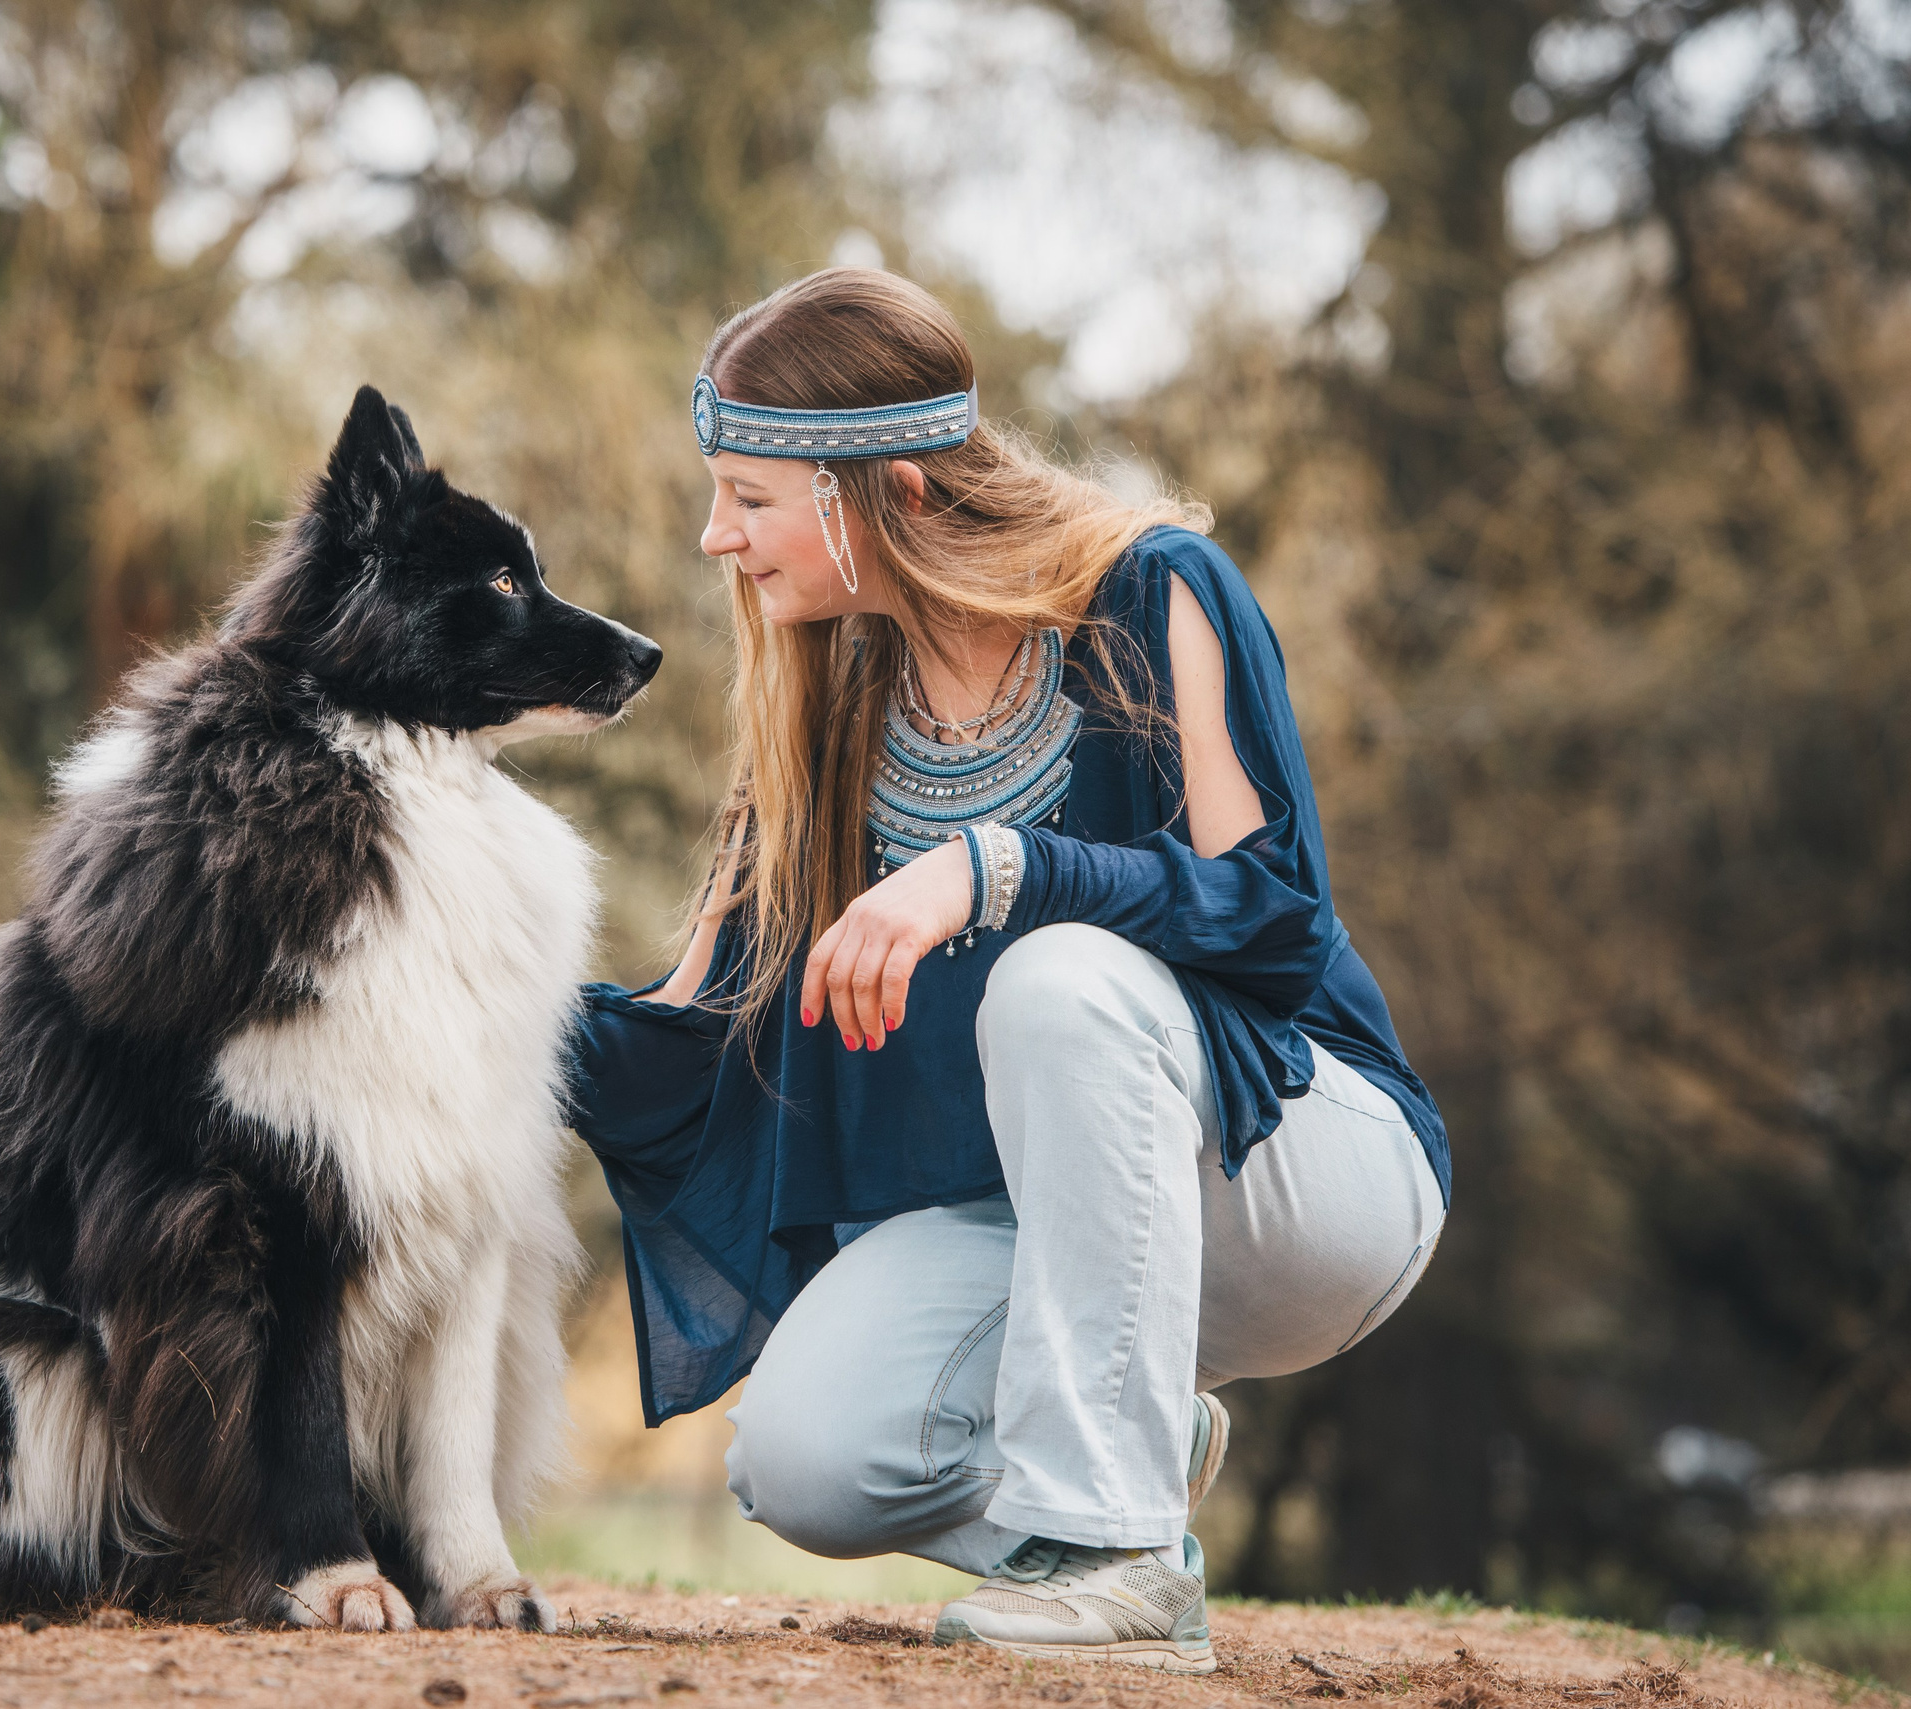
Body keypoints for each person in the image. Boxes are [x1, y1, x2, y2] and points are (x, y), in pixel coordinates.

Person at [566, 269, 1449, 1673]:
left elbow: (1279, 913)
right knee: (807, 1456)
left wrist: (1001, 866)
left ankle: (1118, 1558)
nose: (713, 534)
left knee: (1062, 977)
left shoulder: (1156, 589)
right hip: (1044, 1223)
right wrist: (440, 1003)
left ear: (890, 492)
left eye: (749, 496)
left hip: (1300, 1164)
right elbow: (696, 1028)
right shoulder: (827, 705)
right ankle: (1128, 1471)